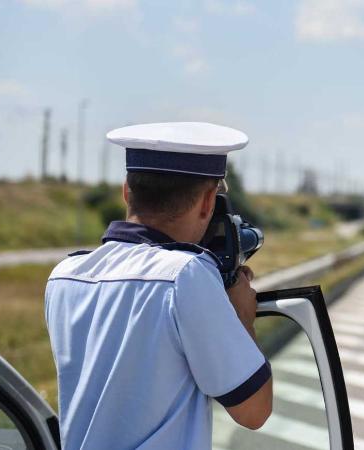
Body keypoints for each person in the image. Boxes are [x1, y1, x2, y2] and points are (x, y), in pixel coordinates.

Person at [45, 122, 272, 449]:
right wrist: (243, 318)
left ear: (126, 190)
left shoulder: (64, 276)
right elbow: (255, 410)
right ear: (209, 202)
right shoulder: (186, 276)